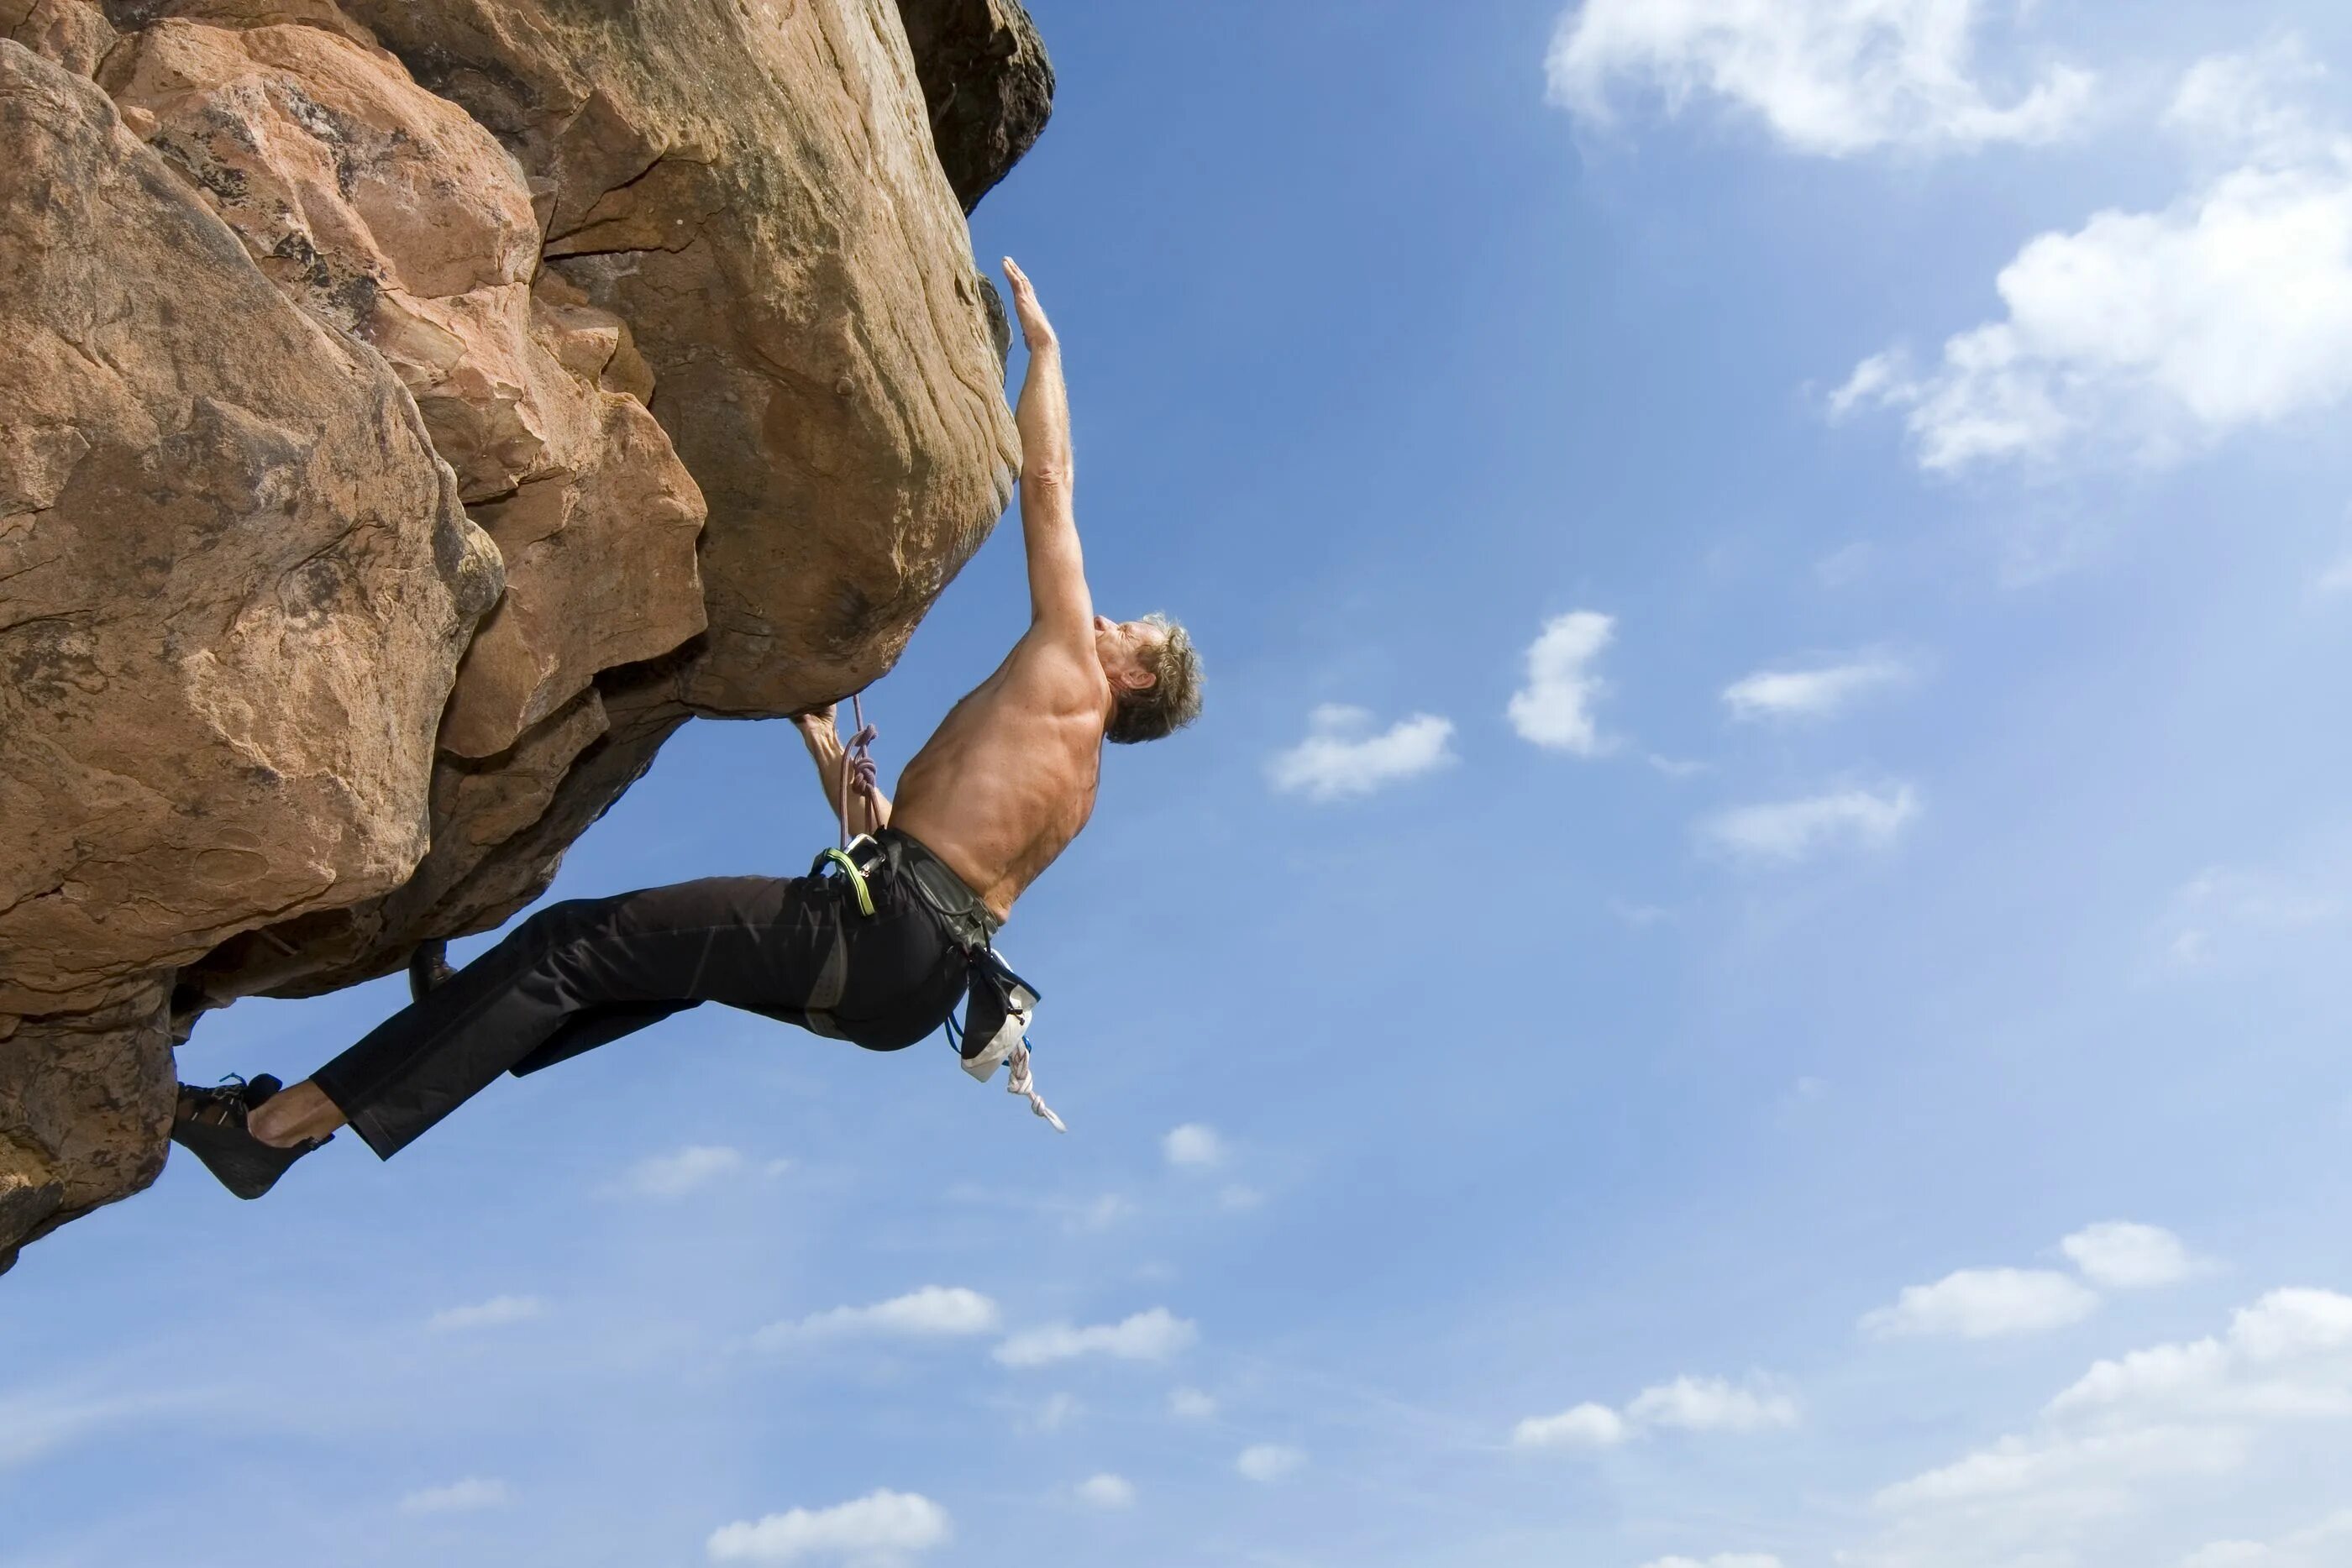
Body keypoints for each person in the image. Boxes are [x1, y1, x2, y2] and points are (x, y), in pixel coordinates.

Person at [171, 259, 1204, 1199]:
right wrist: (827, 760)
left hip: (875, 936)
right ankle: (478, 1016)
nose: (1106, 618)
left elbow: (1050, 489)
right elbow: (934, 864)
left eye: (1130, 629)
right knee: (665, 967)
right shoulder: (1076, 791)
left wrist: (1047, 352)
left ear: (1136, 674)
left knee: (576, 944)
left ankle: (273, 1128)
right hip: (912, 989)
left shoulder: (1073, 665)